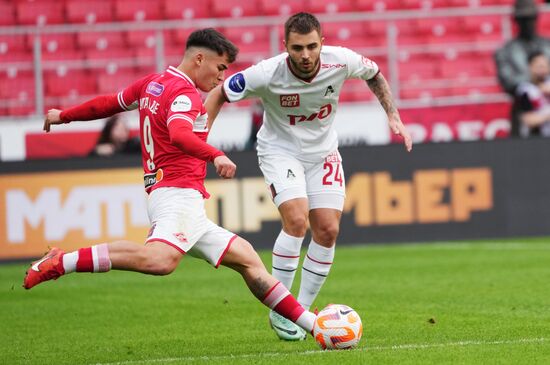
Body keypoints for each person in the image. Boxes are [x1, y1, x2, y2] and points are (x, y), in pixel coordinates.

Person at [23, 28, 317, 338]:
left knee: (248, 260)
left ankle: (314, 327)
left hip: (175, 196)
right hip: (176, 195)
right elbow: (179, 134)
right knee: (160, 261)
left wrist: (64, 115)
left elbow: (109, 103)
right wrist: (215, 155)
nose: (221, 77)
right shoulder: (185, 94)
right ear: (199, 58)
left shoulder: (152, 84)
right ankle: (62, 261)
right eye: (220, 68)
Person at [206, 12, 412, 341]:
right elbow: (219, 93)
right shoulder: (266, 73)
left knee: (328, 229)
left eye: (312, 47)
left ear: (322, 44)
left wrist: (393, 115)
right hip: (279, 151)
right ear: (285, 46)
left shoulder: (340, 61)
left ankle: (299, 312)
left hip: (324, 153)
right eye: (298, 48)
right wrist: (201, 140)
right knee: (297, 220)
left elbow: (374, 73)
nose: (305, 55)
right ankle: (280, 309)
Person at [494, 0, 550, 136]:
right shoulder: (505, 51)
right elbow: (508, 81)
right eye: (523, 19)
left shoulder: (547, 45)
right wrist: (537, 81)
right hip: (524, 110)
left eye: (530, 18)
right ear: (516, 21)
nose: (527, 24)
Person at [515, 51, 550, 137]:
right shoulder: (525, 90)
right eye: (539, 66)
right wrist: (547, 117)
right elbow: (528, 120)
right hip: (537, 138)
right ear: (530, 67)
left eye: (545, 66)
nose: (542, 70)